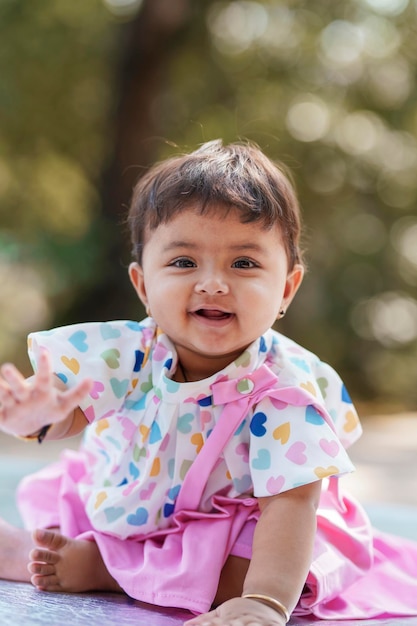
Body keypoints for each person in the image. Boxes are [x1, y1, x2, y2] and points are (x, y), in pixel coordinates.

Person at [0, 140, 417, 626]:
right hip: (139, 502)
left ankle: (104, 567)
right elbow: (73, 409)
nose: (213, 283)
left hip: (239, 520)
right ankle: (35, 552)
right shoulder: (128, 352)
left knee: (277, 561)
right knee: (70, 509)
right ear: (143, 286)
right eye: (183, 262)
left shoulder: (284, 391)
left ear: (285, 288)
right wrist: (37, 419)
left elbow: (292, 501)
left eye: (243, 263)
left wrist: (265, 600)